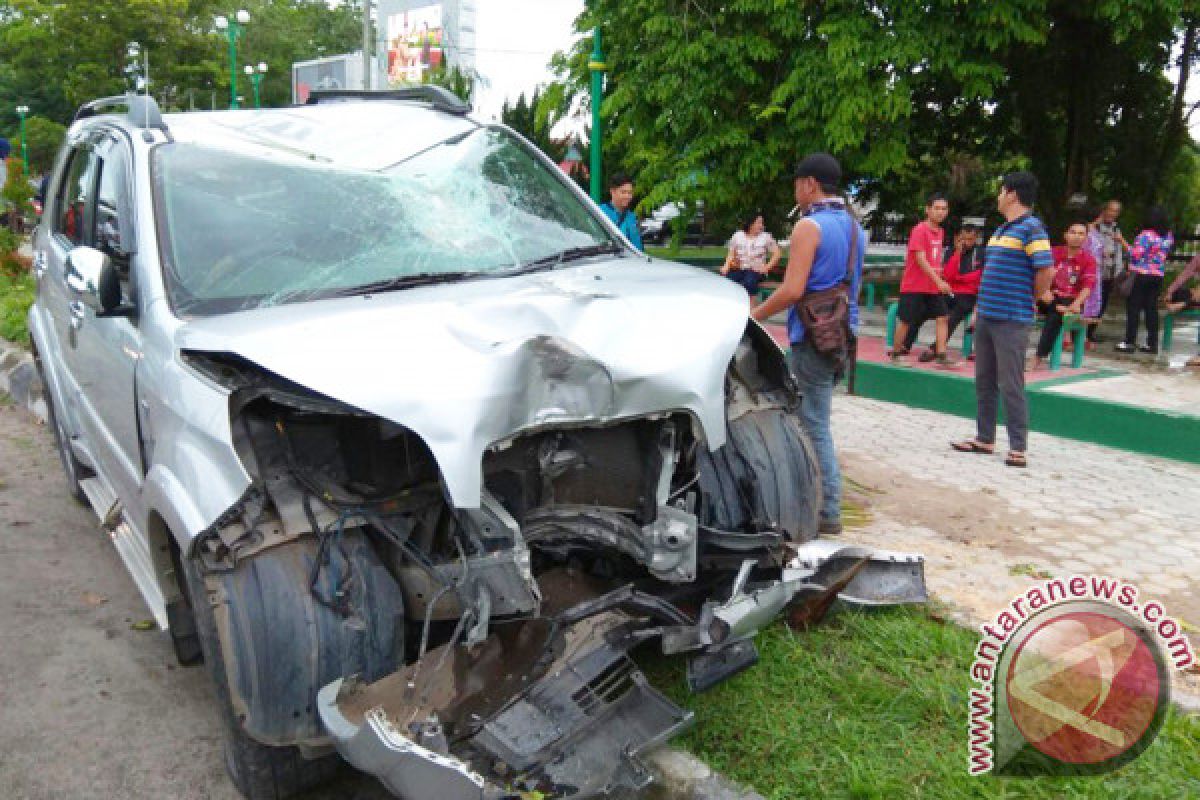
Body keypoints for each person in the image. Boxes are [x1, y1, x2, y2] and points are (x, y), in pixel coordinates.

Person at [750, 153, 864, 536]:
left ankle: (827, 510)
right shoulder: (853, 227)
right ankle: (822, 502)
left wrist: (754, 316)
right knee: (818, 418)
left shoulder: (808, 227)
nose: (795, 191)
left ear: (809, 184)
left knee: (812, 423)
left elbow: (793, 289)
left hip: (812, 336)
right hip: (841, 335)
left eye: (797, 183)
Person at [951, 171, 1054, 468]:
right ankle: (984, 438)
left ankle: (1018, 446)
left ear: (1011, 194)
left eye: (1000, 191)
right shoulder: (1000, 231)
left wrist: (1030, 299)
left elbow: (1045, 270)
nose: (997, 197)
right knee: (984, 379)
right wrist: (979, 309)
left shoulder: (1033, 229)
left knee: (1011, 382)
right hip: (987, 315)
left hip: (1012, 318)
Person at [903, 224, 984, 355]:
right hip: (949, 291)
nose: (966, 243)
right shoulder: (951, 252)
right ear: (957, 238)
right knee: (921, 310)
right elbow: (948, 275)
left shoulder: (981, 253)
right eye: (963, 239)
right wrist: (957, 254)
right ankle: (905, 345)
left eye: (970, 239)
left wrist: (959, 278)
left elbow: (979, 275)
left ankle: (935, 349)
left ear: (976, 239)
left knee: (953, 316)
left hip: (968, 295)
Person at [891, 192, 953, 365]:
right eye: (937, 208)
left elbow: (935, 259)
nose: (941, 212)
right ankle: (896, 354)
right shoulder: (920, 230)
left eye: (944, 209)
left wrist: (940, 279)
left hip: (931, 286)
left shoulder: (940, 232)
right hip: (914, 285)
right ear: (928, 210)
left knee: (943, 317)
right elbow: (920, 259)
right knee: (905, 321)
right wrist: (939, 281)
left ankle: (941, 355)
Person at [1029, 221, 1097, 371]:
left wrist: (1077, 303)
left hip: (1070, 301)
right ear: (1066, 235)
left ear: (1086, 238)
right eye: (1073, 232)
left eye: (1081, 234)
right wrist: (1043, 290)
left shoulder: (1089, 260)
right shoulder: (1053, 253)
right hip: (1046, 297)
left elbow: (1087, 287)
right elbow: (1038, 273)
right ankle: (1061, 309)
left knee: (1055, 316)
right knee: (1054, 307)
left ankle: (1038, 357)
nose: (1077, 237)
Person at [1117, 206, 1173, 354]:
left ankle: (1129, 342)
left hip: (1141, 275)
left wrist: (1122, 241)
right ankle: (1152, 344)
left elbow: (1135, 255)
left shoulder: (1145, 235)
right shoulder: (1168, 236)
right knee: (1151, 309)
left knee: (1133, 308)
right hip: (1158, 275)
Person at [1087, 200, 1130, 343]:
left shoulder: (1117, 228)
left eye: (1116, 211)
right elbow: (1085, 236)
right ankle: (1081, 333)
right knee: (1089, 302)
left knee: (1102, 303)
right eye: (1110, 210)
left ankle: (1091, 333)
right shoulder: (1094, 226)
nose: (1112, 213)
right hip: (1094, 271)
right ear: (1104, 210)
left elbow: (1126, 250)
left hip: (1109, 273)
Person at [721, 211, 781, 295]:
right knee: (727, 280)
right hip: (739, 269)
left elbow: (777, 253)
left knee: (749, 282)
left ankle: (752, 306)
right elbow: (731, 253)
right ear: (751, 223)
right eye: (759, 223)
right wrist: (726, 266)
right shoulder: (737, 235)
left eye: (762, 223)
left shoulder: (766, 237)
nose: (761, 226)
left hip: (756, 271)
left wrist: (766, 267)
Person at [599, 172, 644, 251]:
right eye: (623, 192)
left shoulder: (632, 216)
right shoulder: (600, 213)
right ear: (612, 191)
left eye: (630, 193)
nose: (627, 196)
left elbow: (638, 245)